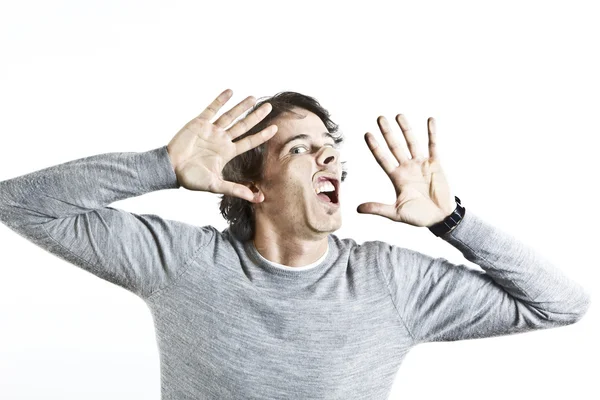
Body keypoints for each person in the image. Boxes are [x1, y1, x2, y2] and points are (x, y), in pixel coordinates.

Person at [0, 88, 590, 399]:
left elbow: (560, 305)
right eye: (302, 148)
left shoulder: (391, 281)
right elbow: (17, 202)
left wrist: (452, 221)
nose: (330, 154)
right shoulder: (181, 263)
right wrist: (159, 166)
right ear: (250, 183)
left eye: (328, 145)